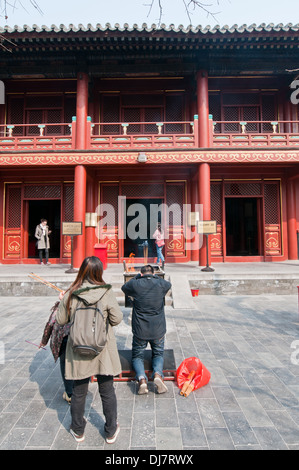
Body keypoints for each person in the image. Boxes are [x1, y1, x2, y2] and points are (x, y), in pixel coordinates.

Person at [56, 256, 123, 444]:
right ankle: (110, 430)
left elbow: (61, 320)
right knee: (107, 390)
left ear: (81, 271)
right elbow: (117, 319)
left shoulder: (72, 292)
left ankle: (78, 430)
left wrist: (63, 301)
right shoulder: (106, 293)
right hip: (102, 348)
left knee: (79, 391)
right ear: (99, 272)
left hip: (78, 347)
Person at [121, 264, 171, 395]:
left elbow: (124, 287)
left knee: (137, 355)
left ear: (142, 274)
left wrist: (137, 277)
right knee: (158, 353)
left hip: (140, 329)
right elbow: (168, 284)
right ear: (153, 273)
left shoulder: (136, 284)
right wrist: (154, 277)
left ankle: (142, 379)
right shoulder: (160, 284)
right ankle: (158, 375)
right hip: (158, 328)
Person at [39, 300, 73, 404]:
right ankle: (76, 391)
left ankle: (69, 393)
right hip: (78, 338)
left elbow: (51, 322)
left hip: (63, 337)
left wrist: (44, 340)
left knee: (64, 364)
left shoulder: (62, 304)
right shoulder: (81, 302)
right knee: (75, 363)